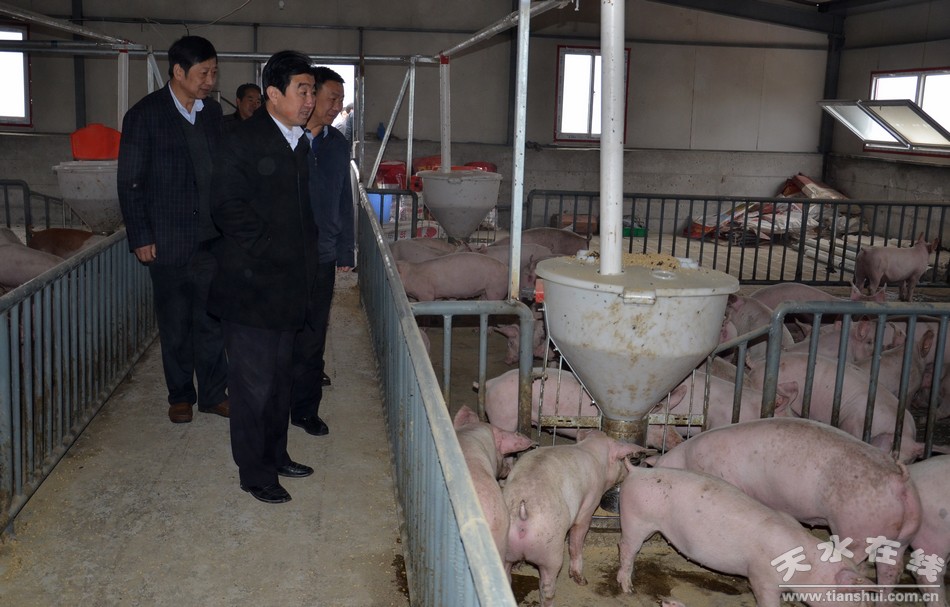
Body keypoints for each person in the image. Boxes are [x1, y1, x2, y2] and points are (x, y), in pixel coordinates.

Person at [208, 50, 318, 504]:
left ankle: (275, 455)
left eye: (312, 91)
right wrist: (272, 249)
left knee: (279, 381)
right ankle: (254, 473)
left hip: (289, 286)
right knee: (253, 388)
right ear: (273, 93)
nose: (309, 100)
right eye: (302, 90)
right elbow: (227, 206)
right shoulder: (241, 139)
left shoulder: (298, 142)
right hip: (251, 287)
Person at [117, 35, 229, 424]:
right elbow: (130, 181)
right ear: (178, 71)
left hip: (211, 239)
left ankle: (214, 394)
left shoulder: (212, 113)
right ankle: (181, 395)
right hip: (167, 239)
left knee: (212, 320)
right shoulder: (144, 115)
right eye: (204, 73)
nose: (210, 81)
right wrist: (140, 235)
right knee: (176, 321)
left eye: (214, 72)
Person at [290, 67, 354, 437]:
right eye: (332, 98)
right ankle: (276, 402)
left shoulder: (338, 144)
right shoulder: (285, 138)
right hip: (284, 256)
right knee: (283, 334)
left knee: (314, 337)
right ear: (311, 96)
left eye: (341, 100)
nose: (336, 106)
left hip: (323, 254)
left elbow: (344, 199)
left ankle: (305, 410)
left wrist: (346, 250)